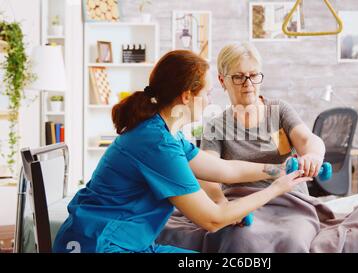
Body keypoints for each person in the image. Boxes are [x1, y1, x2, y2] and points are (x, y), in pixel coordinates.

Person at [53, 50, 312, 253]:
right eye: (207, 93)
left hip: (130, 244)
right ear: (187, 96)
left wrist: (277, 171)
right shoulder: (156, 143)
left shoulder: (166, 133)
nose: (211, 101)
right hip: (99, 244)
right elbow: (212, 219)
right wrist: (276, 188)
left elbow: (225, 169)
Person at [200, 42, 326, 204]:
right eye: (238, 77)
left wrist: (313, 155)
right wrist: (220, 202)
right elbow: (208, 173)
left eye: (253, 75)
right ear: (222, 80)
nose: (248, 83)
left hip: (290, 200)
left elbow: (306, 139)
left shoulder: (279, 111)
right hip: (243, 205)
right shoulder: (215, 127)